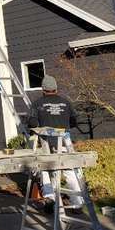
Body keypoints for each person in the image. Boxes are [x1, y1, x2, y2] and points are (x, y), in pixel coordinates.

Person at [27, 75, 84, 208]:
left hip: (47, 145)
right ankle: (78, 204)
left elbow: (32, 122)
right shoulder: (66, 103)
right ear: (56, 88)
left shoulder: (37, 104)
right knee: (70, 171)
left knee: (46, 171)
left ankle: (50, 200)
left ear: (43, 89)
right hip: (65, 143)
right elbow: (74, 121)